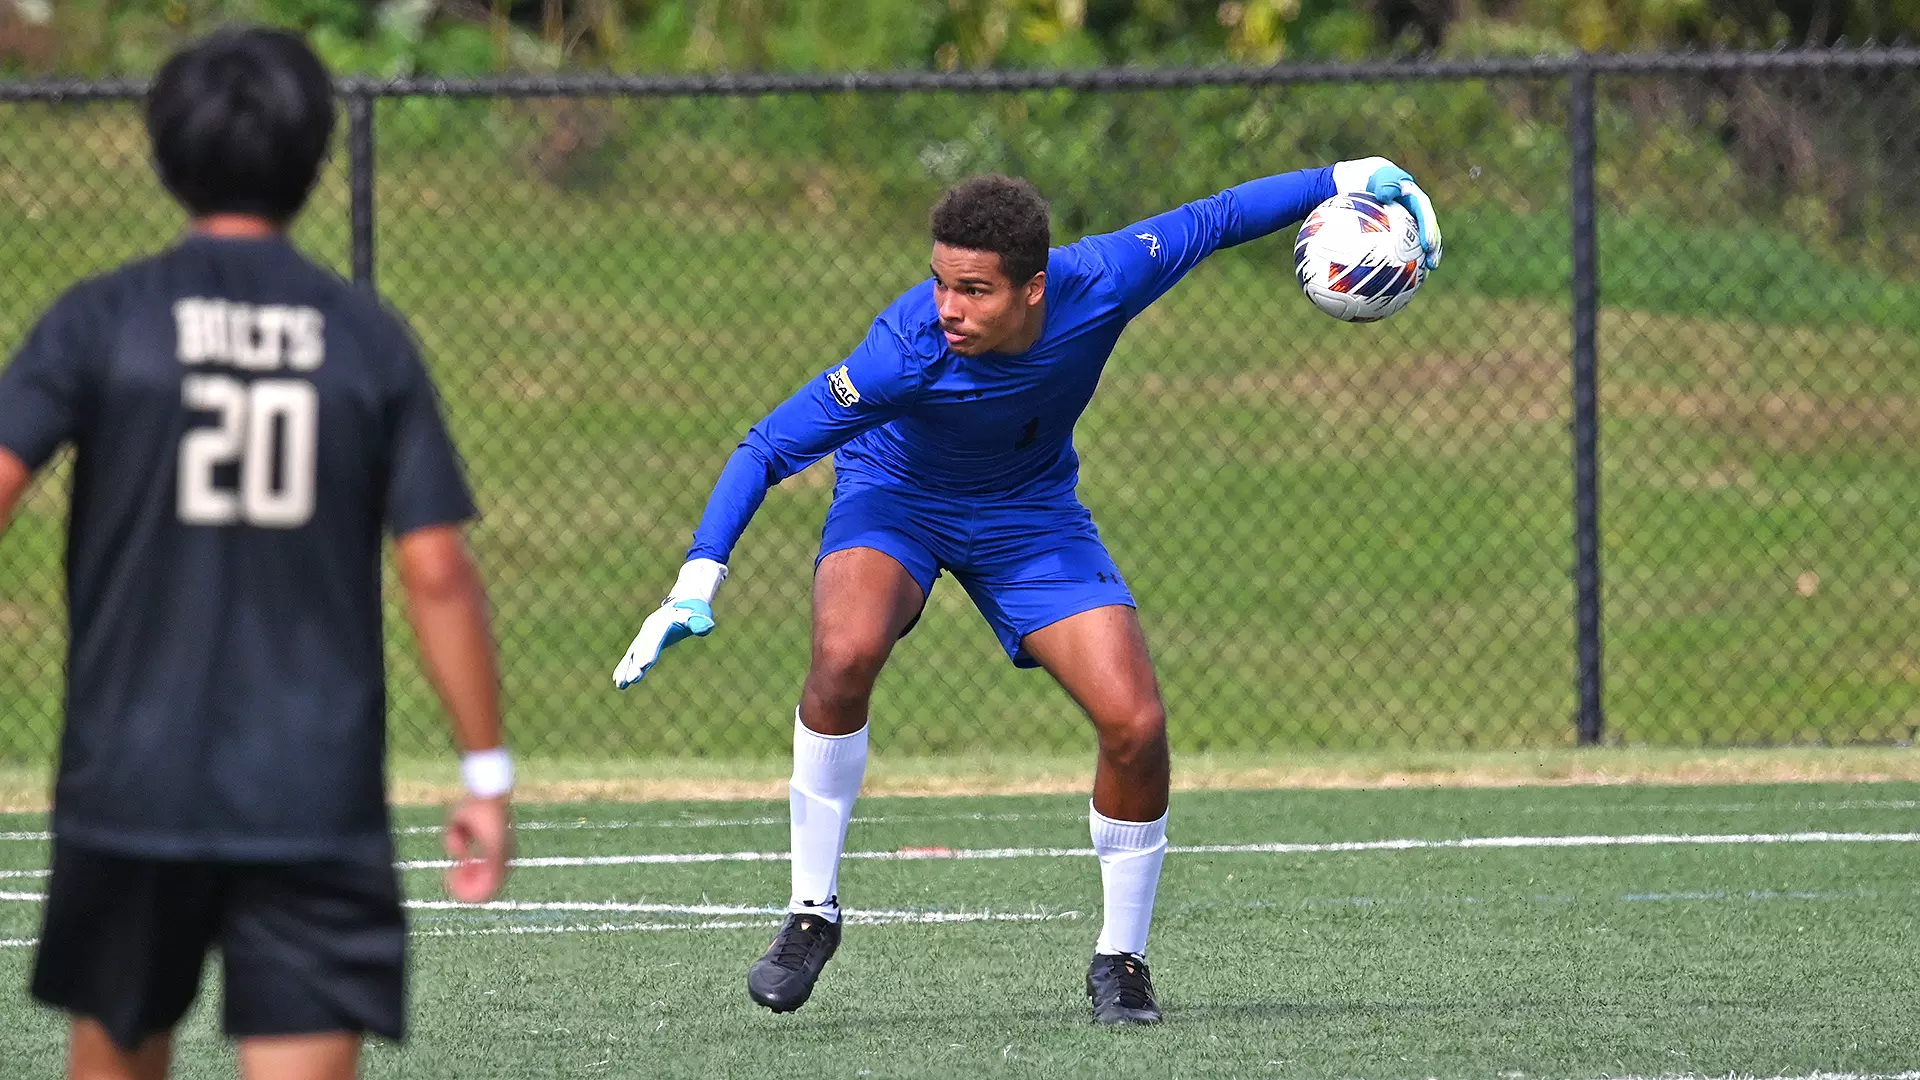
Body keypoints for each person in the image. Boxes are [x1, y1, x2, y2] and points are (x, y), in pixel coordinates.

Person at [613, 154, 1441, 1023]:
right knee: (844, 652)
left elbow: (1218, 215)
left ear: (1035, 288)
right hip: (896, 498)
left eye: (974, 290)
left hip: (1029, 513)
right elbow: (769, 445)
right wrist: (695, 580)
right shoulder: (904, 350)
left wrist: (1348, 174)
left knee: (1137, 725)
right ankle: (811, 914)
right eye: (939, 282)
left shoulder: (1104, 280)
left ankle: (1121, 961)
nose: (948, 308)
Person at [0, 27, 514, 1080]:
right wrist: (485, 769)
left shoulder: (101, 320)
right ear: (317, 159)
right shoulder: (364, 337)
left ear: (163, 152)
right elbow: (435, 569)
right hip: (311, 790)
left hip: (131, 777)